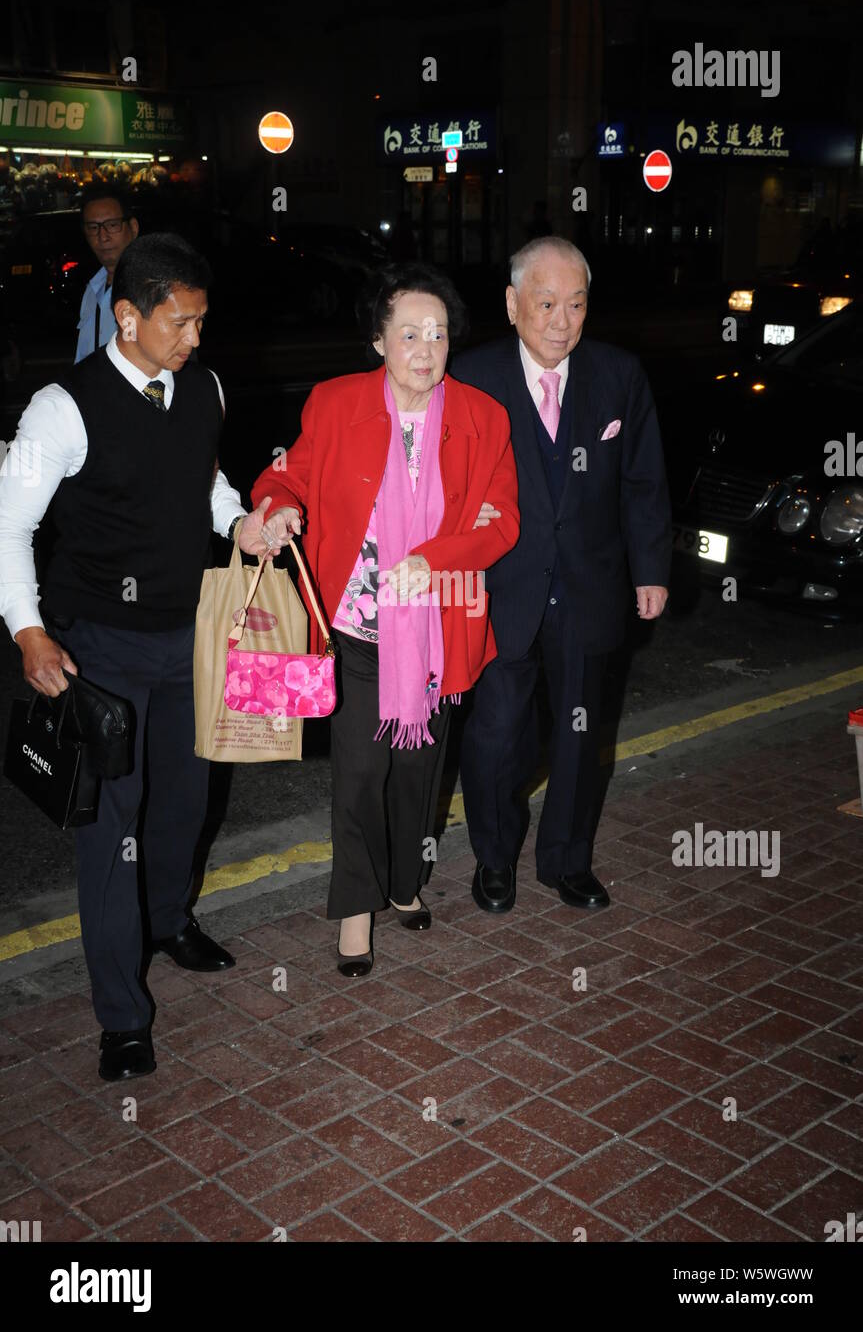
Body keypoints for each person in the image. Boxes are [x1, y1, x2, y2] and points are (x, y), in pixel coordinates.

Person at [0, 233, 276, 1082]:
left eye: (200, 322)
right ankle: (121, 1014)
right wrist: (27, 627)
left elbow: (207, 485)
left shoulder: (206, 389)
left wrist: (241, 524)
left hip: (188, 631)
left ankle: (168, 920)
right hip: (102, 650)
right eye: (179, 324)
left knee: (185, 803)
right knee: (107, 832)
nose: (195, 339)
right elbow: (11, 525)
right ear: (128, 317)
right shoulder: (63, 406)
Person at [251, 262, 520, 977]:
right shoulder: (336, 403)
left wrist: (436, 558)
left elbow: (501, 520)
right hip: (354, 628)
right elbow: (288, 477)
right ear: (377, 341)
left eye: (437, 334)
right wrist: (278, 508)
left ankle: (404, 882)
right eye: (408, 334)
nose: (426, 349)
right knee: (361, 772)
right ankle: (355, 909)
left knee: (417, 773)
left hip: (435, 631)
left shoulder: (481, 417)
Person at [450, 236, 671, 914]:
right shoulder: (471, 376)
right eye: (544, 303)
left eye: (574, 304)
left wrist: (650, 568)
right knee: (494, 735)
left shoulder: (617, 375)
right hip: (497, 588)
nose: (560, 320)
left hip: (588, 585)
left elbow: (642, 480)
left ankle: (565, 860)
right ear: (513, 304)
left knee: (580, 732)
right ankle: (493, 859)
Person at [75, 184, 139, 362]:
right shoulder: (92, 290)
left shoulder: (150, 289)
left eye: (112, 225)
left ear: (133, 228)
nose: (103, 237)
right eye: (93, 228)